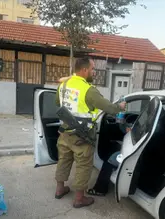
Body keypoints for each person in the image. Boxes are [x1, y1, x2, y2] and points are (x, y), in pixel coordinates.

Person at [55, 57, 126, 208]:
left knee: (64, 160)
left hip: (65, 132)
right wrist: (120, 106)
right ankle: (79, 199)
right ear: (85, 70)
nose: (94, 72)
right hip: (82, 135)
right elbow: (109, 108)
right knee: (83, 165)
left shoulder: (64, 85)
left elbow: (58, 103)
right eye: (93, 69)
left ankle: (60, 189)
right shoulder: (89, 90)